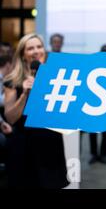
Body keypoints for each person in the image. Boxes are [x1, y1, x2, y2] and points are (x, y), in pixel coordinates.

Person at [3, 33, 69, 188]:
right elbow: (10, 118)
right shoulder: (12, 81)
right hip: (24, 145)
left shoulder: (56, 77)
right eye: (30, 48)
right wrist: (25, 94)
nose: (36, 51)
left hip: (51, 143)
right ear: (23, 55)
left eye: (39, 47)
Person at [88, 44, 106, 164]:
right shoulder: (93, 66)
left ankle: (103, 154)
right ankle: (94, 154)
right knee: (92, 132)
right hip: (93, 105)